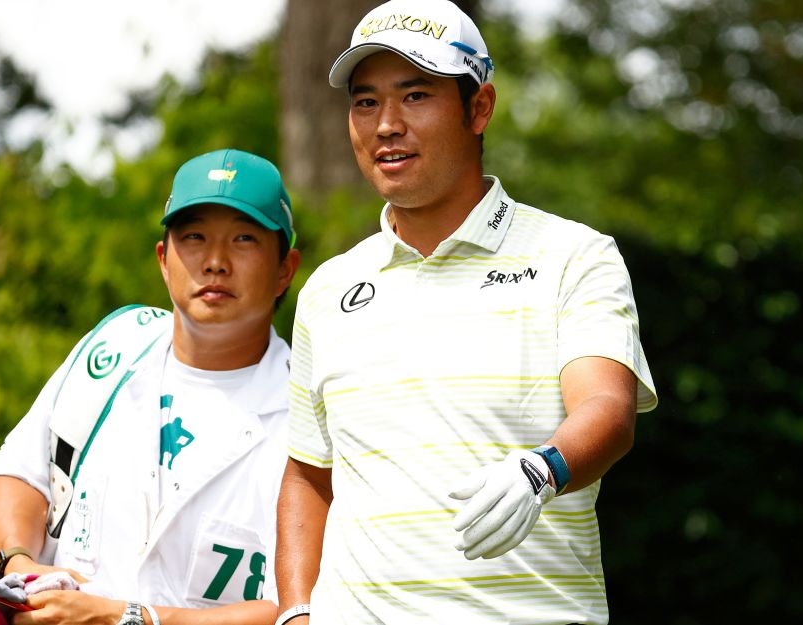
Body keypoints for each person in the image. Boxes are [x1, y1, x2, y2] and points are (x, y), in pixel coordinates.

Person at [274, 1, 658, 624]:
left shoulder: (574, 256)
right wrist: (295, 612)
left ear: (479, 108)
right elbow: (308, 476)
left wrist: (544, 470)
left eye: (416, 95)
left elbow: (608, 410)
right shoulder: (328, 287)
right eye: (365, 102)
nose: (386, 125)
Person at [0, 148, 300, 625]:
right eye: (193, 237)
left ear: (284, 269)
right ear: (164, 258)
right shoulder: (115, 346)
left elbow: (298, 604)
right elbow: (16, 476)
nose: (215, 261)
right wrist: (21, 566)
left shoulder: (310, 412)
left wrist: (124, 618)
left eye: (244, 239)